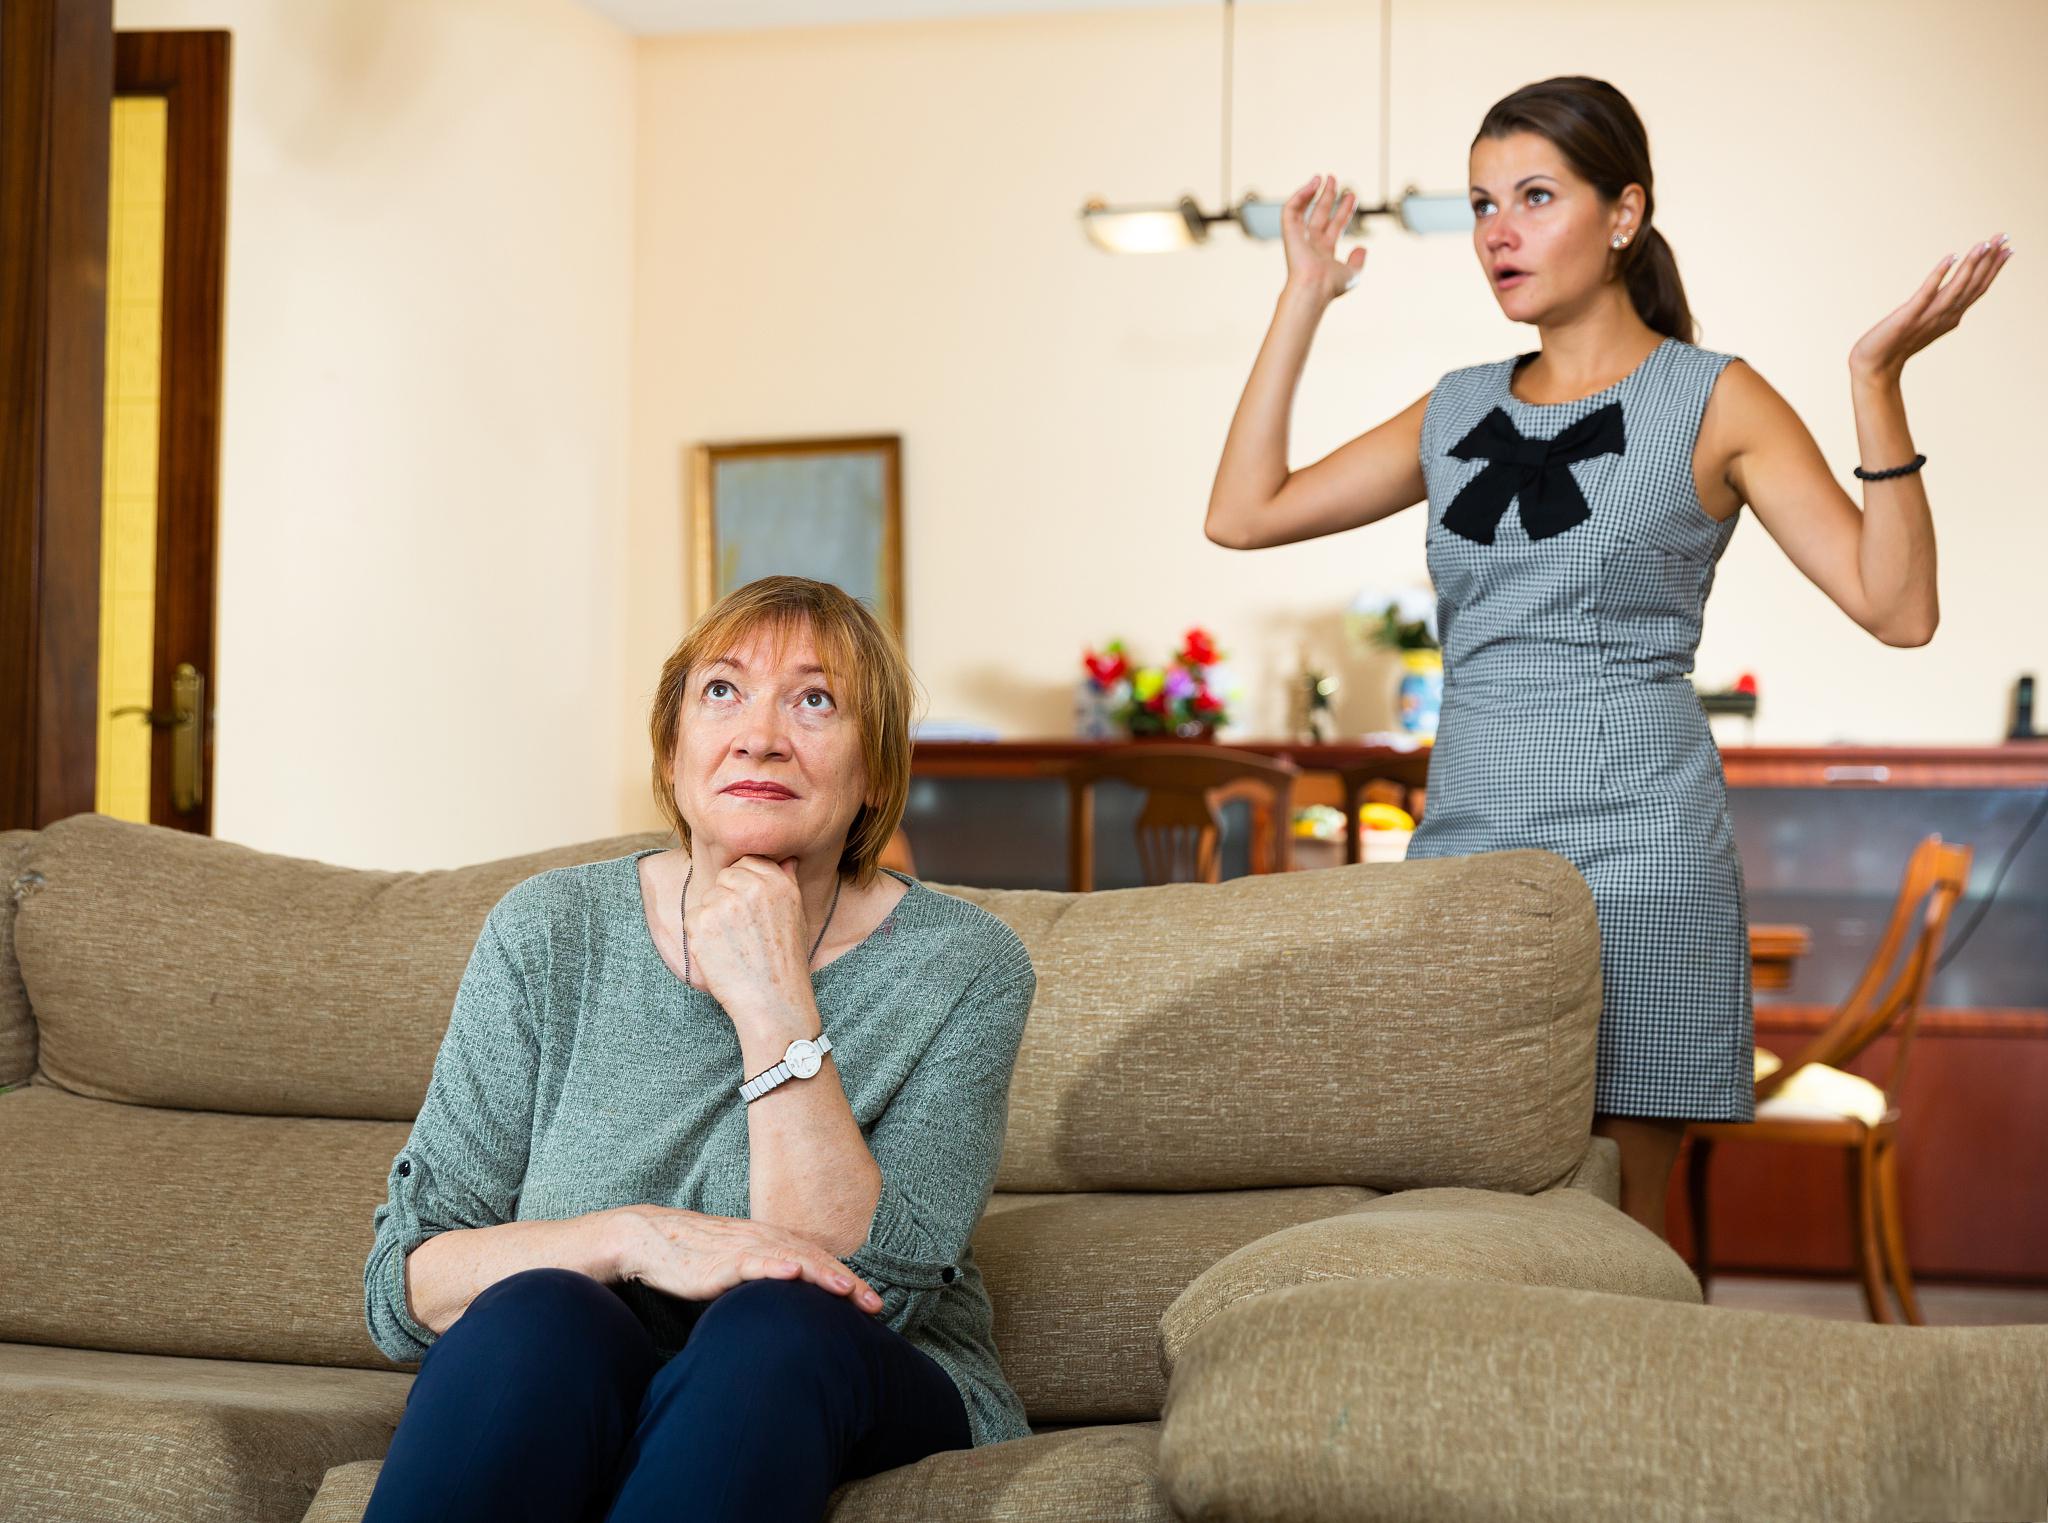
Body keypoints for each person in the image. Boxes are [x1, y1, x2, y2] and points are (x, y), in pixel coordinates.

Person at [1204, 75, 2009, 1239]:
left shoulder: (1713, 398)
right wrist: (1302, 297)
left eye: (1534, 196)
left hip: (1642, 861)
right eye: (1482, 204)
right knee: (1453, 1218)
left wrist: (1874, 383)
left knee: (1619, 1238)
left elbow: (1897, 608)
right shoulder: (1454, 408)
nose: (1498, 231)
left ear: (1622, 213)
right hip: (1465, 861)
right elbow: (1242, 511)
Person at [360, 576, 1035, 1522]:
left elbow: (870, 1287)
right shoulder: (549, 931)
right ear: (674, 753)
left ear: (877, 773)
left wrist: (773, 1001)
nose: (760, 735)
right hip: (589, 1368)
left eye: (815, 700)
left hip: (854, 1377)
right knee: (536, 1309)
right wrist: (632, 1238)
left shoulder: (964, 965)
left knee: (773, 1326)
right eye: (722, 691)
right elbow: (410, 1281)